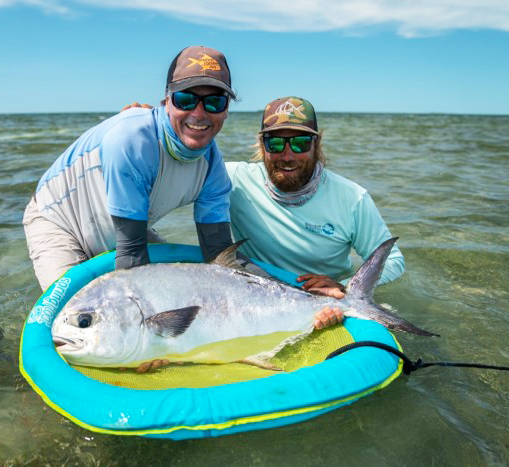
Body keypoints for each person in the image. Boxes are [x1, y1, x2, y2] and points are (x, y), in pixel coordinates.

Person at [23, 46, 238, 293]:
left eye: (214, 102)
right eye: (186, 100)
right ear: (166, 100)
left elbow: (219, 255)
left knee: (179, 290)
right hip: (59, 222)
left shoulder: (213, 169)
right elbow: (132, 257)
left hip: (125, 232)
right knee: (75, 314)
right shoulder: (131, 139)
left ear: (226, 109)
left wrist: (282, 283)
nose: (198, 114)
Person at [225, 97, 405, 329]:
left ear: (316, 144)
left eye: (300, 144)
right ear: (262, 146)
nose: (287, 156)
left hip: (329, 305)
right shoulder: (233, 179)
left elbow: (394, 261)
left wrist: (342, 286)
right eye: (276, 144)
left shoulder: (352, 198)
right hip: (261, 303)